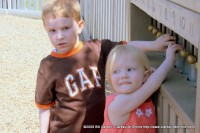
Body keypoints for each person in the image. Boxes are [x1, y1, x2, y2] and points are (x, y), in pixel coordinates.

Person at [35, 0, 177, 132]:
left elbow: (126, 48)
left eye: (65, 28)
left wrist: (154, 45)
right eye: (52, 31)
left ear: (80, 26)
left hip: (98, 126)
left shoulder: (95, 48)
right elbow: (45, 107)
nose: (59, 36)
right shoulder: (47, 66)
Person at [100, 44, 181, 133]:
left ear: (145, 75)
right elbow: (152, 84)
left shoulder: (137, 96)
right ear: (110, 78)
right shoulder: (119, 103)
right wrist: (169, 60)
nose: (123, 75)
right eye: (116, 71)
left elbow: (152, 82)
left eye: (130, 69)